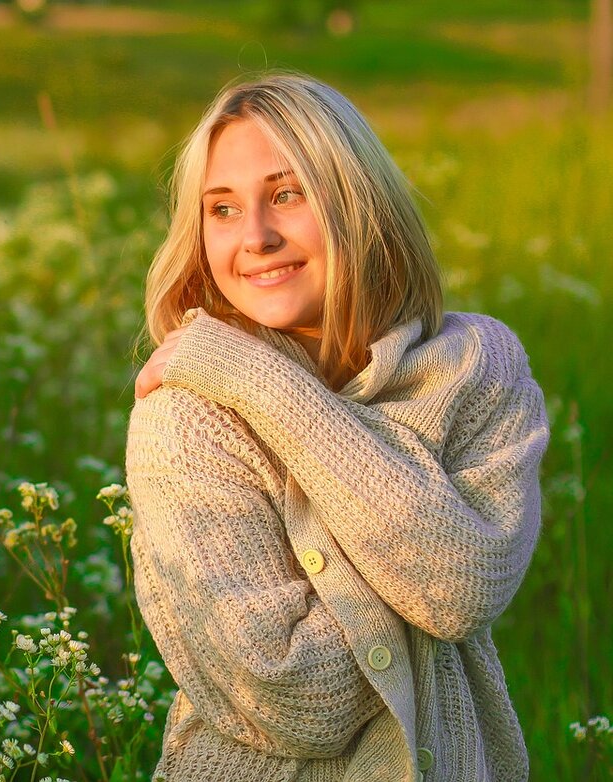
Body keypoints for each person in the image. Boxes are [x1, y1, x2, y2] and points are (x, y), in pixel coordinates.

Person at [126, 72, 549, 782]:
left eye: (287, 194)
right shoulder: (187, 413)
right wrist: (411, 559)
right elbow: (290, 696)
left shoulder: (479, 367)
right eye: (222, 209)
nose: (256, 236)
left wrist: (264, 384)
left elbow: (461, 588)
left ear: (361, 202)